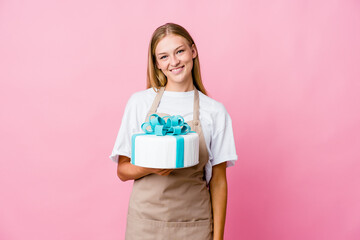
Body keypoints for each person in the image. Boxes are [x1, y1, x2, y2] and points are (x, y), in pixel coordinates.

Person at [109, 22, 238, 240]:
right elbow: (123, 170)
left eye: (179, 51)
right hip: (145, 225)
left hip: (194, 225)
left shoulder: (215, 111)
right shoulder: (140, 103)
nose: (174, 62)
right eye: (164, 56)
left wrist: (218, 239)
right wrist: (150, 167)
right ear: (157, 64)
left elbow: (218, 182)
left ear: (193, 51)